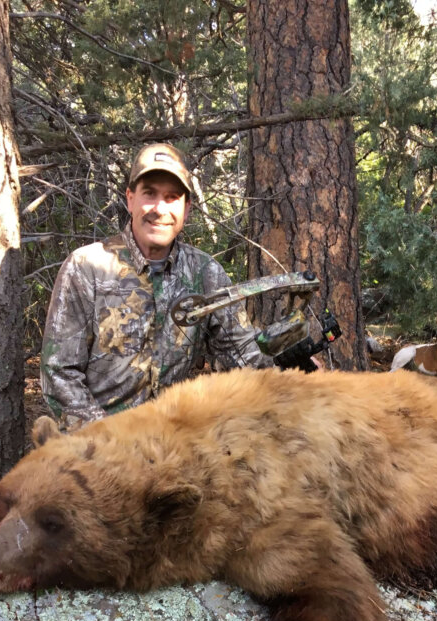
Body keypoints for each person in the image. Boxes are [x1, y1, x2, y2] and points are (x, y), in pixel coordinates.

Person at [40, 143, 270, 430]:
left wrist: (290, 369)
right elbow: (59, 374)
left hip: (174, 446)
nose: (159, 209)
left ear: (186, 210)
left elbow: (243, 355)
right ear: (130, 199)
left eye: (172, 198)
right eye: (150, 194)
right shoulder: (87, 267)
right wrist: (106, 439)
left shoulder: (205, 273)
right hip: (99, 449)